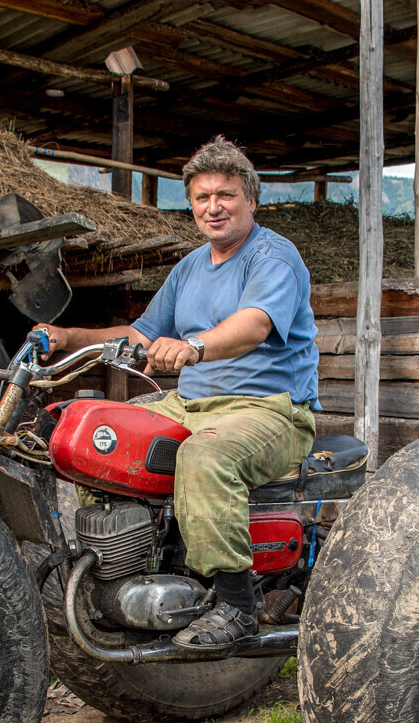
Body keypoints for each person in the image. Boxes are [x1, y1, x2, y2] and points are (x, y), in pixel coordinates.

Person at [37, 137, 319, 651]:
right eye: (202, 197)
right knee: (100, 435)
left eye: (226, 195)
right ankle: (117, 568)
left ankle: (236, 605)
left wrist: (192, 348)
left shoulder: (273, 256)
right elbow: (140, 336)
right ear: (191, 205)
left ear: (250, 200)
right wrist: (66, 338)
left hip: (269, 409)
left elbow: (254, 325)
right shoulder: (189, 267)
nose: (214, 206)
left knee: (204, 456)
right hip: (189, 405)